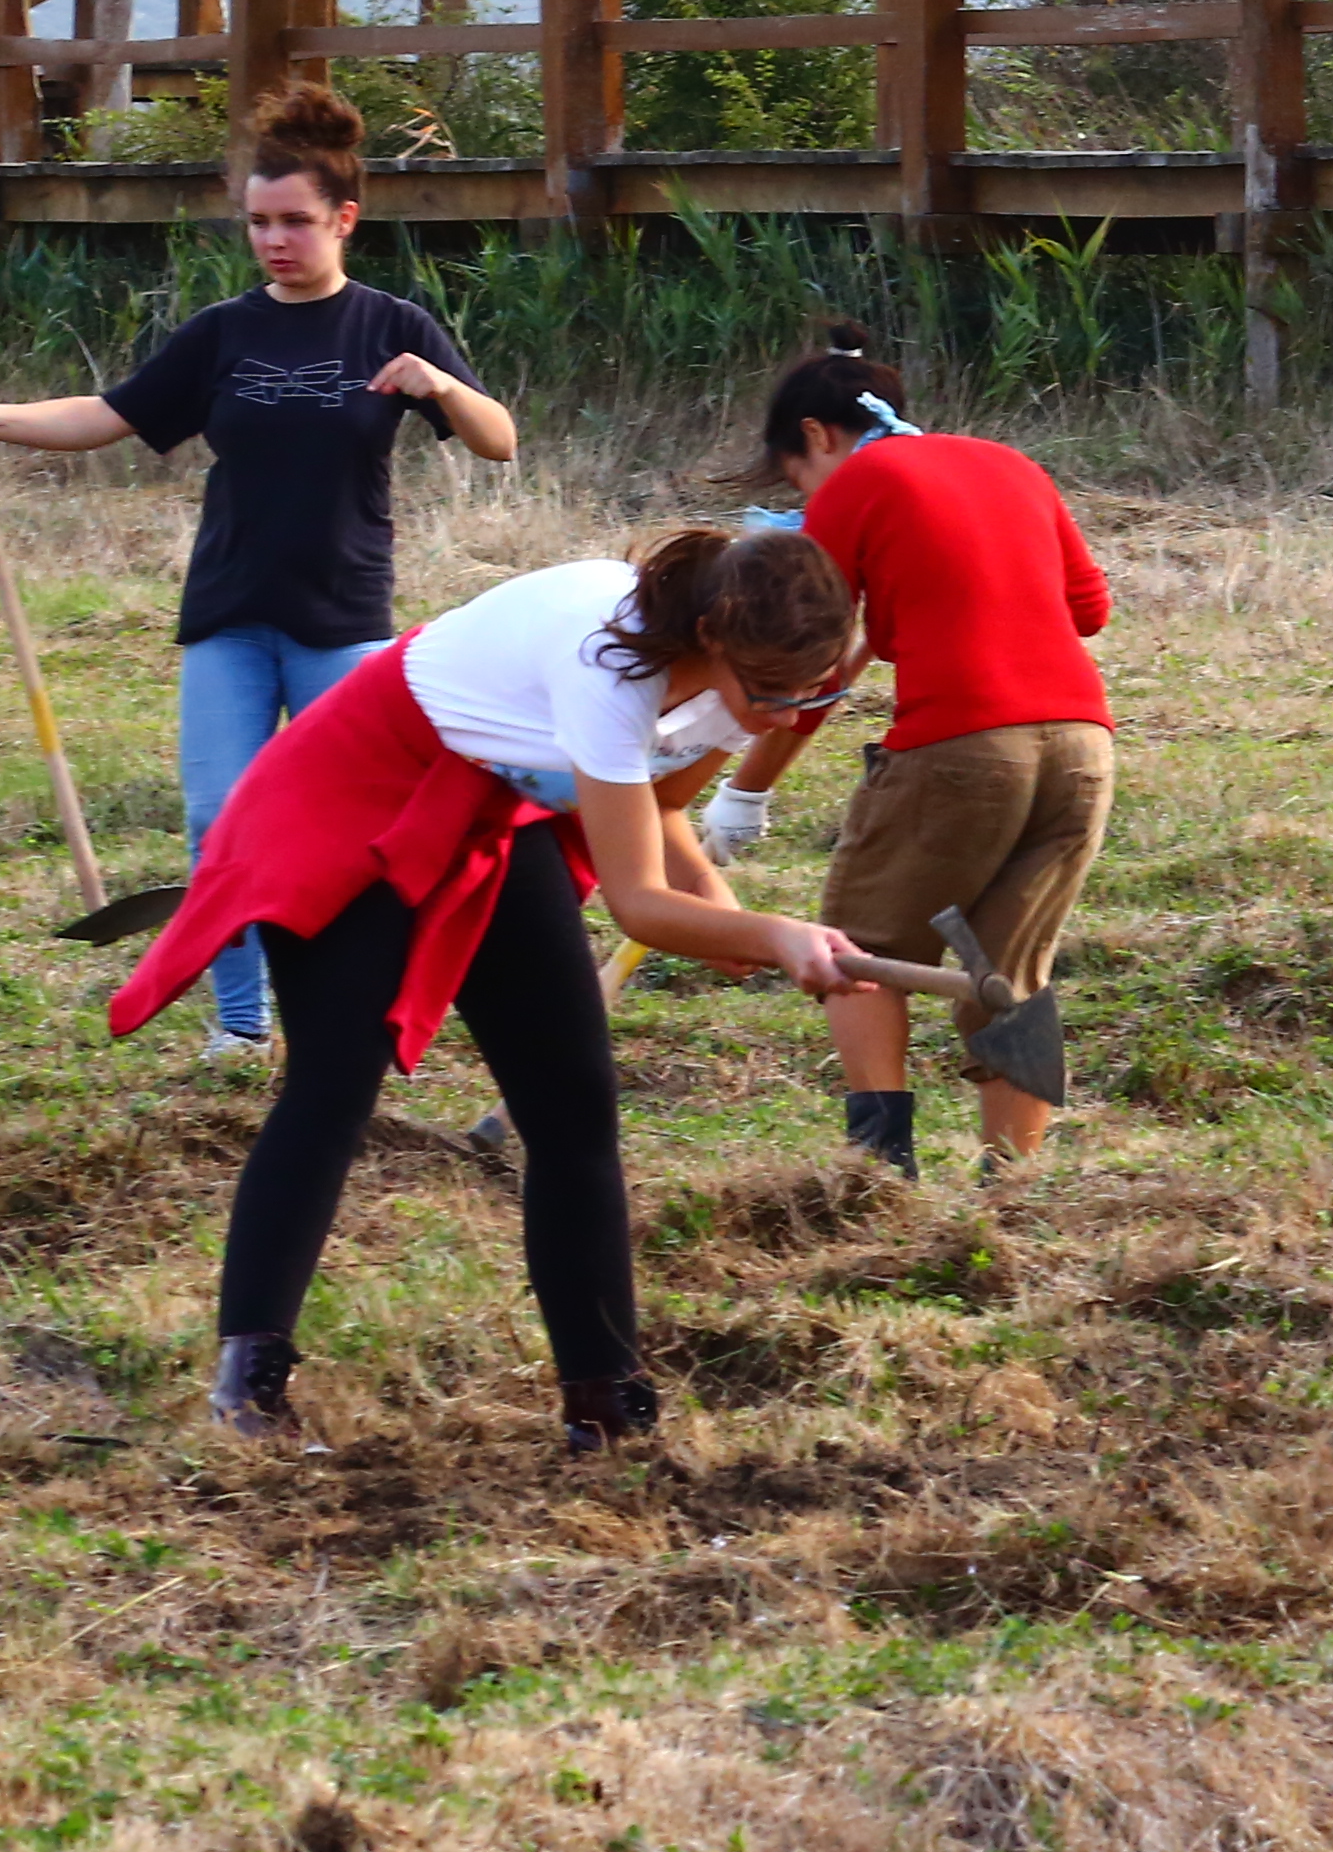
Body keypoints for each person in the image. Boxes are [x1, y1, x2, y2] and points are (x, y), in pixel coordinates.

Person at [110, 528, 873, 1455]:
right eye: (771, 693)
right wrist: (773, 936)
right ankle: (248, 1389)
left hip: (482, 802)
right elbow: (639, 905)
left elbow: (665, 807)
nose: (790, 718)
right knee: (333, 1086)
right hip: (358, 784)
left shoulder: (745, 681)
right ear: (712, 635)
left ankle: (603, 1401)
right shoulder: (609, 661)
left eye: (815, 693)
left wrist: (725, 918)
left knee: (572, 1107)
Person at [0, 81, 518, 1061]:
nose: (275, 241)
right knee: (221, 825)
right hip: (232, 618)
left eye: (295, 222)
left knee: (360, 838)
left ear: (345, 220)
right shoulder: (224, 332)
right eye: (257, 224)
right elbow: (107, 416)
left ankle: (352, 1016)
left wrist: (442, 383)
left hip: (347, 622)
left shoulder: (390, 325)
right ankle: (240, 1027)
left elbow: (499, 442)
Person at [713, 341, 1115, 1188]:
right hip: (1083, 746)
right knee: (1009, 974)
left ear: (819, 435)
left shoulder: (859, 480)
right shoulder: (1011, 464)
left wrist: (742, 792)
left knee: (857, 944)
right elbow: (1089, 609)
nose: (803, 504)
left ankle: (879, 1171)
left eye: (794, 481)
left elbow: (808, 660)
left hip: (964, 744)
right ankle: (1012, 1183)